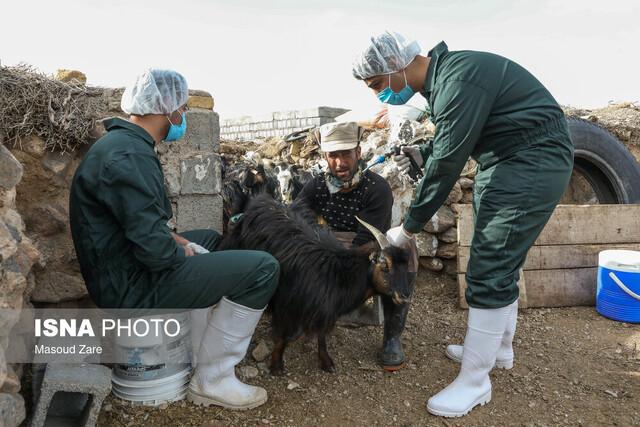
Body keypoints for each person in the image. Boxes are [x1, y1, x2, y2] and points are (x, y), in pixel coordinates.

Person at [352, 31, 574, 417]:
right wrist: (423, 151)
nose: (378, 96)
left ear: (396, 66)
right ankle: (497, 350)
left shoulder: (458, 79)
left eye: (376, 85)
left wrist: (407, 229)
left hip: (529, 161)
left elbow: (448, 163)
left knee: (490, 264)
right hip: (503, 160)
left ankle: (475, 380)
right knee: (499, 260)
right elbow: (459, 134)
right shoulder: (447, 80)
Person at [69, 69, 279, 410]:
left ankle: (197, 350)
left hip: (123, 268)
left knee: (208, 239)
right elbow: (154, 251)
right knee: (263, 268)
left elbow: (137, 223)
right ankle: (214, 379)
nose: (182, 115)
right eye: (180, 107)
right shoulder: (129, 157)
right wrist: (184, 257)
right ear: (167, 109)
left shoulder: (124, 145)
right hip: (130, 286)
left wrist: (182, 242)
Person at [295, 121, 418, 371]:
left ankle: (392, 337)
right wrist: (318, 237)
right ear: (325, 157)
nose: (340, 163)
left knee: (405, 252)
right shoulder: (317, 185)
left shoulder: (377, 188)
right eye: (333, 156)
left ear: (358, 153)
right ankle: (301, 316)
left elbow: (368, 240)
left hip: (364, 249)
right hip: (325, 245)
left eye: (346, 154)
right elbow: (297, 213)